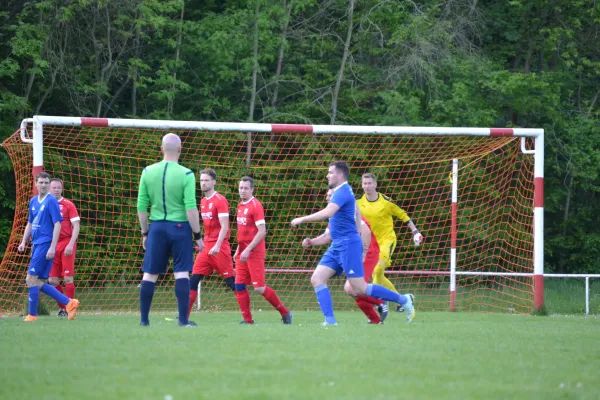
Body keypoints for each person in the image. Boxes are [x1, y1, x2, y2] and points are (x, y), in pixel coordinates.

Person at [291, 161, 415, 325]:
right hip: (337, 245)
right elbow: (356, 214)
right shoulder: (342, 192)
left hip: (348, 245)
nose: (327, 175)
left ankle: (403, 299)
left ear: (340, 175)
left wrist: (303, 219)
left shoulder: (342, 191)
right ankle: (330, 321)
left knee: (359, 288)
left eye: (330, 172)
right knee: (317, 278)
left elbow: (329, 212)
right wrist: (313, 241)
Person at [137, 133, 204, 327]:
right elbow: (191, 207)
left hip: (156, 228)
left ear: (161, 149)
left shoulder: (147, 172)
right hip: (180, 227)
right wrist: (198, 235)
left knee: (149, 274)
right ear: (180, 150)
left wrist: (145, 232)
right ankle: (183, 321)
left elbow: (141, 206)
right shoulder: (186, 174)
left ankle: (144, 321)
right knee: (181, 273)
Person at [302, 189, 388, 324]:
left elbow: (365, 232)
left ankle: (386, 301)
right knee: (349, 289)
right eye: (327, 196)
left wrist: (363, 253)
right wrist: (311, 242)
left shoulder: (349, 212)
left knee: (351, 288)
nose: (327, 198)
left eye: (330, 196)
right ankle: (375, 319)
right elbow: (327, 236)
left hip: (367, 253)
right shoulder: (335, 215)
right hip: (348, 253)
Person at [18, 172, 80, 321]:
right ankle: (68, 302)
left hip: (46, 243)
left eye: (46, 183)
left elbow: (57, 224)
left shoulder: (51, 201)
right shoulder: (33, 201)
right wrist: (23, 241)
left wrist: (52, 246)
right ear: (36, 183)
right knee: (35, 280)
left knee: (31, 278)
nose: (44, 185)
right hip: (37, 243)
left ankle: (32, 315)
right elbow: (30, 223)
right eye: (41, 182)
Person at [357, 173, 423, 312]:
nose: (367, 186)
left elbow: (403, 215)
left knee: (378, 270)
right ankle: (404, 300)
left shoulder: (386, 202)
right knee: (377, 274)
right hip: (370, 244)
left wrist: (415, 231)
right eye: (365, 183)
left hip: (387, 240)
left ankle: (378, 303)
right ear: (362, 185)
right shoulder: (358, 203)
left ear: (375, 184)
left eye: (369, 183)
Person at [234, 176, 292, 325]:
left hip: (254, 252)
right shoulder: (240, 205)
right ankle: (247, 320)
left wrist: (247, 249)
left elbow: (262, 231)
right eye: (241, 188)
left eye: (246, 188)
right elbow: (241, 232)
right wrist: (238, 249)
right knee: (239, 285)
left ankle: (285, 312)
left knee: (259, 287)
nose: (243, 191)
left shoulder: (256, 205)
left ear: (252, 189)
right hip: (243, 252)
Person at [187, 168, 235, 318]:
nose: (203, 183)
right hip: (206, 246)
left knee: (231, 282)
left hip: (219, 247)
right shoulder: (202, 201)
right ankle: (184, 315)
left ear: (214, 182)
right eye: (201, 180)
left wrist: (217, 245)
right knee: (194, 279)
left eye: (206, 180)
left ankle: (248, 317)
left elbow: (225, 226)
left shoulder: (220, 200)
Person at [48, 178, 80, 317]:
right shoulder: (46, 204)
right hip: (51, 245)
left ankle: (69, 309)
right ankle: (64, 306)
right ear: (49, 189)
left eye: (58, 187)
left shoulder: (68, 205)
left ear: (62, 189)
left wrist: (71, 243)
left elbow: (76, 226)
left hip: (66, 243)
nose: (56, 189)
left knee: (68, 278)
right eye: (53, 187)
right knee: (52, 280)